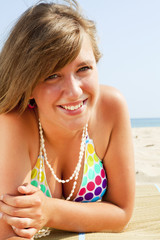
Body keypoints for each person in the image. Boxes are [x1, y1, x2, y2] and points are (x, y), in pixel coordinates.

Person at [0, 0, 135, 239]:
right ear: (27, 84)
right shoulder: (14, 122)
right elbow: (9, 232)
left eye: (83, 68)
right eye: (52, 75)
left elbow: (122, 212)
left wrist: (50, 211)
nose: (73, 91)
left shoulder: (111, 108)